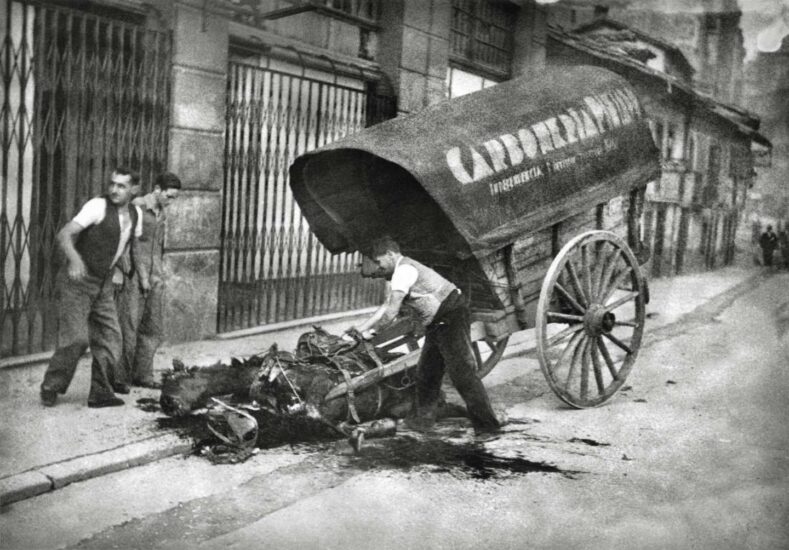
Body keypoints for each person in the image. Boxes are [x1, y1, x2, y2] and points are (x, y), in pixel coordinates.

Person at [346, 236, 505, 435]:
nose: (378, 267)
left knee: (462, 375)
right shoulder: (398, 272)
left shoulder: (404, 271)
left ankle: (488, 427)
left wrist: (372, 332)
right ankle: (421, 422)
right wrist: (361, 328)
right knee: (427, 373)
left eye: (379, 261)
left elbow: (391, 313)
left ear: (390, 254)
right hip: (437, 322)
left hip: (451, 316)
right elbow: (385, 307)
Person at [40, 168, 143, 408]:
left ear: (134, 190)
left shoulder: (135, 214)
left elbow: (123, 245)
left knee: (111, 338)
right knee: (76, 339)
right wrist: (75, 260)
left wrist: (126, 270)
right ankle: (51, 386)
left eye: (122, 186)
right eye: (112, 184)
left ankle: (100, 393)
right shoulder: (97, 206)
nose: (114, 190)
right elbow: (64, 234)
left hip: (104, 284)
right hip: (78, 282)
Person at [117, 172, 182, 389]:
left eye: (174, 198)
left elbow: (157, 248)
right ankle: (120, 378)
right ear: (157, 189)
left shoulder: (162, 212)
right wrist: (141, 276)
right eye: (169, 196)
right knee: (129, 327)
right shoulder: (137, 206)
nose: (171, 201)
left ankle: (142, 375)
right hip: (135, 274)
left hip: (155, 276)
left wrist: (159, 275)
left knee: (152, 327)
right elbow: (130, 244)